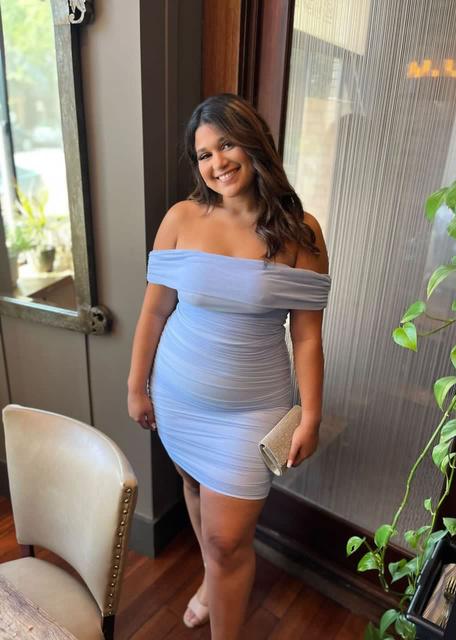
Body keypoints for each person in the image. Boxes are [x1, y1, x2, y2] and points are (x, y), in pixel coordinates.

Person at [127, 93, 331, 640]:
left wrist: (311, 415)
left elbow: (307, 336)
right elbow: (154, 310)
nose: (217, 162)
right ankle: (208, 578)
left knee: (228, 541)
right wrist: (136, 385)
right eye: (204, 154)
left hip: (249, 413)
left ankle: (217, 580)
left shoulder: (301, 232)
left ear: (254, 144)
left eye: (226, 145)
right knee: (193, 487)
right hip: (176, 396)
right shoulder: (181, 218)